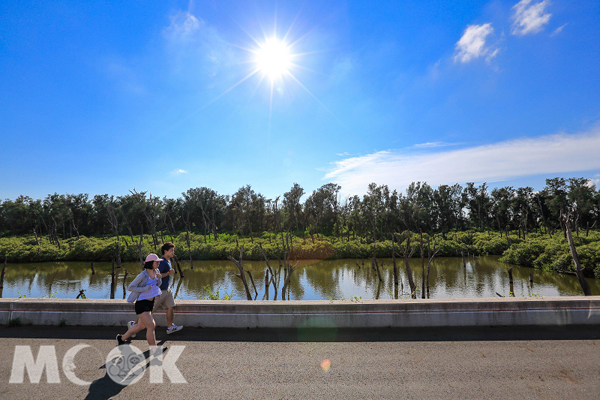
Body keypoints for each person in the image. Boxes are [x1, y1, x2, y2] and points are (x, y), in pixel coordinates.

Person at [127, 242, 183, 335]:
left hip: (166, 289)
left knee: (171, 307)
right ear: (165, 251)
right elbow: (157, 276)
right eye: (171, 250)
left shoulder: (167, 261)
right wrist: (169, 273)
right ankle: (133, 325)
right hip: (158, 291)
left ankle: (170, 327)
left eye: (173, 250)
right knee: (148, 312)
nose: (173, 252)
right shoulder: (161, 262)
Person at [117, 253, 163, 348]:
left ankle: (121, 339)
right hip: (142, 304)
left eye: (158, 262)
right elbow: (130, 287)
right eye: (156, 262)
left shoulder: (156, 271)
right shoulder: (142, 275)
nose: (158, 264)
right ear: (150, 263)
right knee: (151, 326)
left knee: (140, 326)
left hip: (151, 302)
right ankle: (154, 351)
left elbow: (158, 284)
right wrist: (144, 289)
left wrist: (159, 278)